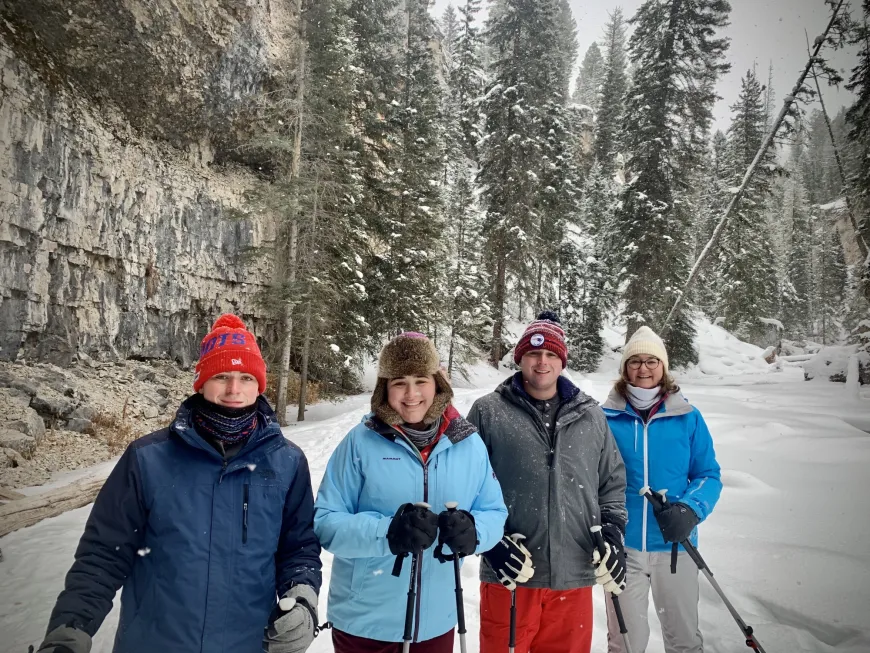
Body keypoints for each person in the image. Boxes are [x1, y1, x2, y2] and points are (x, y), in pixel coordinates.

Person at [36, 314, 322, 653]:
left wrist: (302, 600)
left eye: (246, 377)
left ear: (259, 385)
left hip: (247, 643)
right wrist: (70, 629)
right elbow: (103, 554)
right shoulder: (148, 459)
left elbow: (299, 549)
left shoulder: (286, 463)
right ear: (201, 383)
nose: (234, 389)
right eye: (222, 376)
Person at [314, 332, 508, 652]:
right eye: (399, 382)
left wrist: (474, 532)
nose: (411, 394)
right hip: (365, 624)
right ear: (384, 388)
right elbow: (326, 522)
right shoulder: (359, 443)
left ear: (437, 383)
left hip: (437, 623)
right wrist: (387, 532)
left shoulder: (468, 444)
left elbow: (495, 512)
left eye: (421, 380)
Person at [467, 311, 628, 653]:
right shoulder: (487, 412)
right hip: (511, 573)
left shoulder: (591, 414)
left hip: (575, 573)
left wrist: (613, 532)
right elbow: (464, 485)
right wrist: (490, 542)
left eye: (551, 354)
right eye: (534, 353)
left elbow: (611, 482)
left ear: (562, 360)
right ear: (520, 358)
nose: (542, 362)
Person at [602, 326, 722, 653]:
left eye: (652, 361)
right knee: (625, 643)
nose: (643, 368)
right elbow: (592, 480)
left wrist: (691, 509)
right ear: (624, 368)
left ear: (664, 367)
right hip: (622, 548)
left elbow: (708, 474)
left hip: (676, 548)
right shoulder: (605, 418)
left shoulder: (687, 417)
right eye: (635, 361)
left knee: (683, 640)